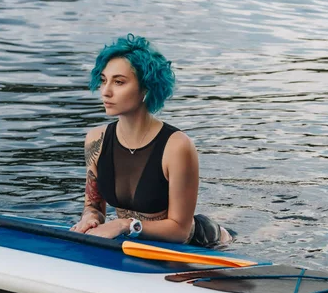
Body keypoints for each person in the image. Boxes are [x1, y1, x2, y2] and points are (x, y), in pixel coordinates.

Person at [70, 34, 232, 247]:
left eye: (119, 82)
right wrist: (90, 217)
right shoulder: (96, 140)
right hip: (138, 241)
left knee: (265, 232)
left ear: (146, 87)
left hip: (201, 243)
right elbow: (93, 205)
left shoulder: (176, 146)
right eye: (103, 80)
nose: (106, 91)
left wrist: (123, 224)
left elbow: (180, 231)